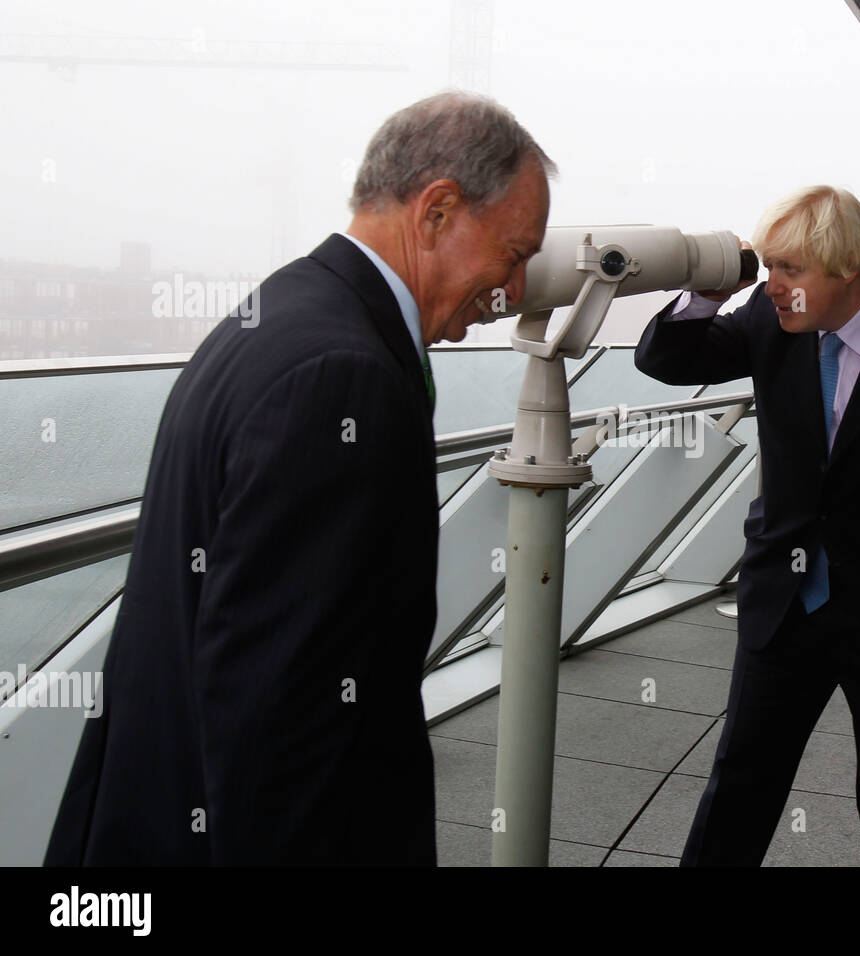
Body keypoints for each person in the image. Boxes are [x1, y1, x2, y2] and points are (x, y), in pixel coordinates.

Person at [43, 91, 553, 865]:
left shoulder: (280, 310)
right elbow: (281, 723)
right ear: (438, 211)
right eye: (514, 254)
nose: (514, 291)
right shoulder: (344, 377)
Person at [635, 185, 860, 866]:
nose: (773, 286)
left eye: (790, 270)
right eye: (768, 267)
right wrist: (714, 286)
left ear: (849, 268)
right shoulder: (769, 320)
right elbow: (668, 360)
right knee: (741, 780)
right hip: (785, 600)